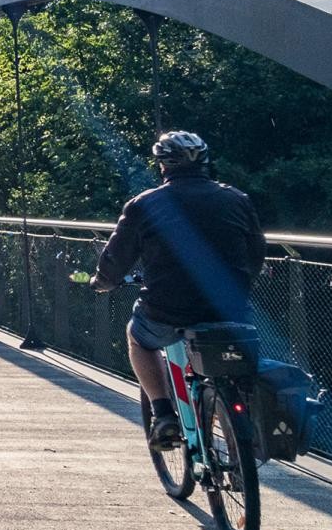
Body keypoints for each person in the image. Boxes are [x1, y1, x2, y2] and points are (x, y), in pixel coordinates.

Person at [94, 131, 267, 450]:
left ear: (163, 165)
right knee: (229, 351)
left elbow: (116, 259)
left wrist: (103, 281)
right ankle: (238, 426)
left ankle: (163, 415)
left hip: (166, 311)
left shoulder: (144, 205)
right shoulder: (237, 199)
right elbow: (256, 254)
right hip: (228, 311)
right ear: (205, 161)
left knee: (139, 337)